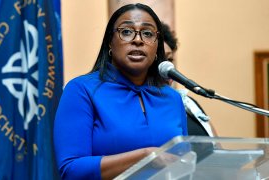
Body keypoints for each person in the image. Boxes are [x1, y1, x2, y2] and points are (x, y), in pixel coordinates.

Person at [53, 3, 188, 179]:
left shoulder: (172, 98)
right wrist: (145, 156)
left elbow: (184, 163)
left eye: (147, 33)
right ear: (110, 42)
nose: (138, 40)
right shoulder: (81, 90)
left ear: (157, 47)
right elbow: (71, 170)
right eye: (126, 32)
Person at [160, 22, 215, 136]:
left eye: (169, 59)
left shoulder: (189, 103)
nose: (167, 68)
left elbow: (218, 147)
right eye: (158, 61)